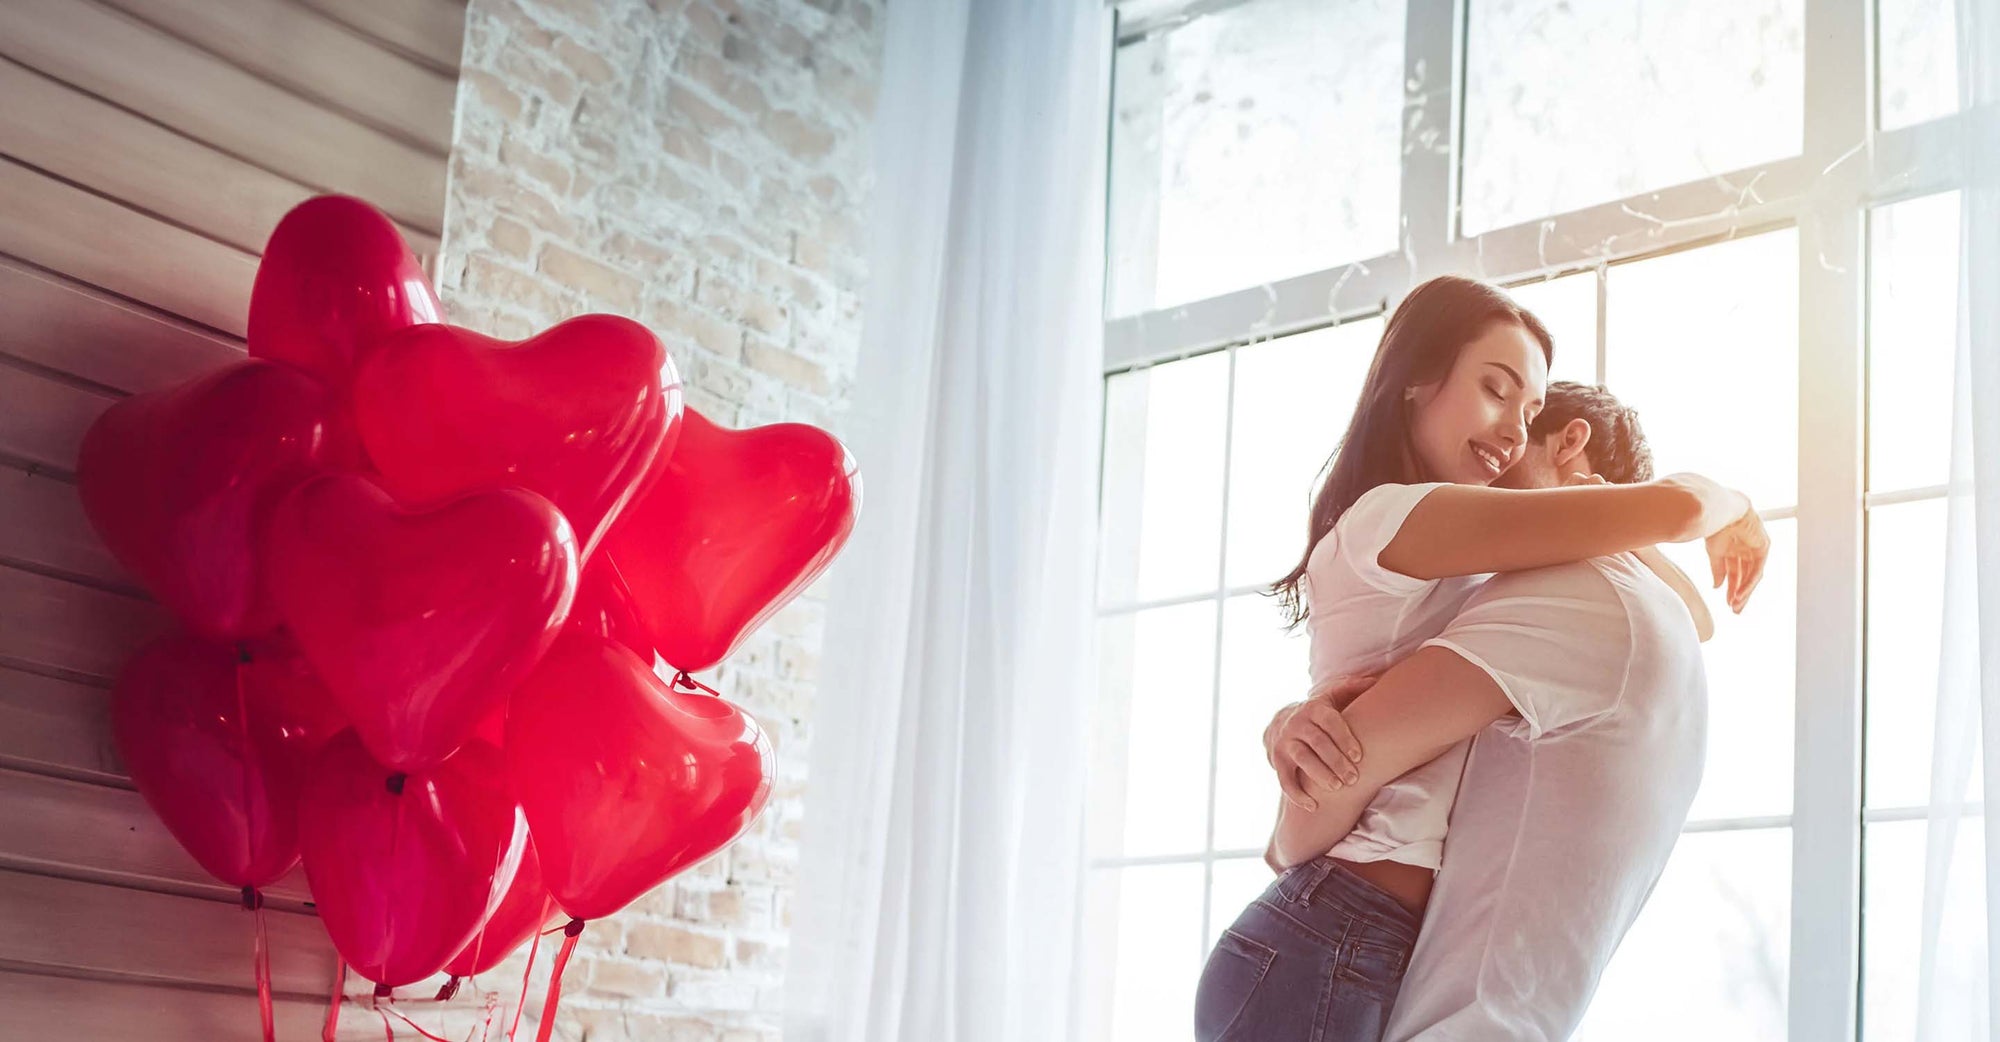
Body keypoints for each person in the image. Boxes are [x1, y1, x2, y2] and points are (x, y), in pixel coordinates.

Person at [1190, 275, 1769, 1042]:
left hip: (1354, 934)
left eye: (1530, 412)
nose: (1510, 432)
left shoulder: (1468, 559)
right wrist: (1737, 503)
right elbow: (1681, 514)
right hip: (1333, 931)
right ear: (1416, 381)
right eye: (1496, 391)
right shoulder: (1400, 514)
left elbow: (1692, 613)